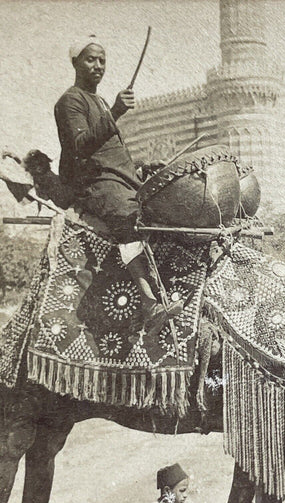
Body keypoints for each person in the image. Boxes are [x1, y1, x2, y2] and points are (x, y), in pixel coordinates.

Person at [54, 35, 181, 337]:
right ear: (75, 63)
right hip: (92, 184)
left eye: (102, 60)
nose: (98, 66)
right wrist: (116, 112)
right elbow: (80, 146)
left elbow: (110, 152)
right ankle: (150, 303)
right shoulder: (70, 100)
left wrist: (141, 167)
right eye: (90, 59)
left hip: (118, 179)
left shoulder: (97, 101)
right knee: (129, 218)